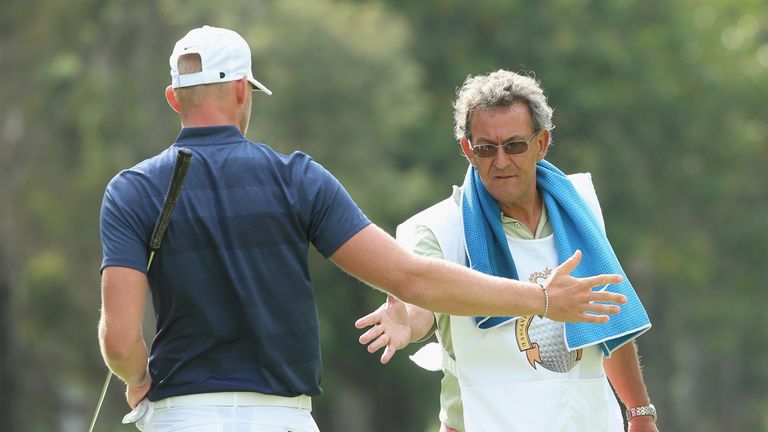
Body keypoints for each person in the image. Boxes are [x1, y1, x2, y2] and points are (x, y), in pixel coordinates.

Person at [98, 27, 628, 432]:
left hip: (179, 417)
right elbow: (412, 279)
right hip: (284, 419)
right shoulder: (298, 179)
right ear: (242, 90)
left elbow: (121, 340)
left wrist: (137, 379)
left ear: (174, 98)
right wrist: (540, 298)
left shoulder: (131, 190)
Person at [356, 70, 658, 431]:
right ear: (468, 150)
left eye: (514, 145)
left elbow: (606, 321)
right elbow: (424, 301)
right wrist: (407, 318)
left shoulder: (581, 209)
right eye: (486, 148)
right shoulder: (439, 228)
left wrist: (639, 411)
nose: (500, 162)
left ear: (541, 143)